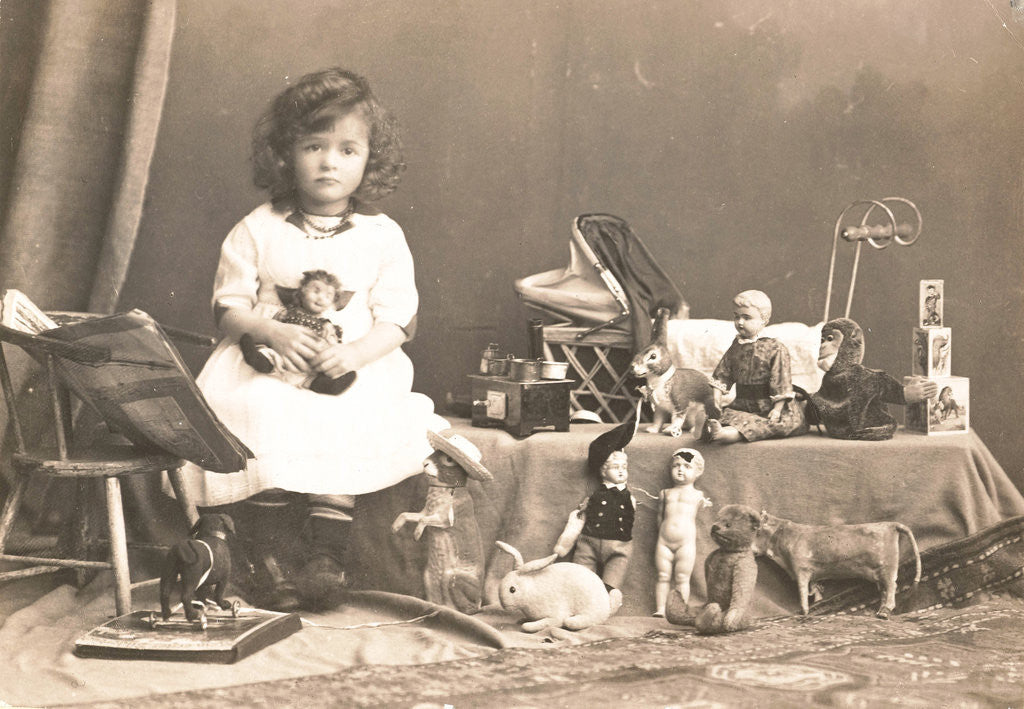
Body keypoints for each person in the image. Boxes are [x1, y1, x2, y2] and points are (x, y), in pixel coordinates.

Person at [178, 68, 447, 611]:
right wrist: (268, 327)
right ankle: (272, 556)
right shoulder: (258, 226)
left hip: (352, 366)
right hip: (266, 362)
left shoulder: (382, 235)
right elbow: (229, 307)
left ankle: (326, 557)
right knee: (256, 408)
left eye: (348, 149)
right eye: (313, 146)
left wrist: (353, 352)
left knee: (345, 416)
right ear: (285, 155)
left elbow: (397, 320)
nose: (329, 162)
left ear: (370, 158)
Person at [553, 409, 640, 600]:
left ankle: (609, 601)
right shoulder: (592, 498)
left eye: (624, 468)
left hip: (619, 546)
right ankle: (581, 601)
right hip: (589, 543)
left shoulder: (629, 498)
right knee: (582, 579)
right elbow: (577, 521)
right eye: (616, 468)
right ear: (602, 471)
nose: (621, 472)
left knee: (613, 581)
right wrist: (563, 545)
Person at [701, 289, 807, 443]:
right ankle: (714, 428)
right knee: (730, 416)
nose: (740, 322)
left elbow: (781, 381)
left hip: (768, 406)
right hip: (743, 403)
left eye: (747, 317)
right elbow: (723, 374)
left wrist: (777, 409)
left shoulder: (775, 348)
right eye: (736, 317)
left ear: (764, 320)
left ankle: (727, 435)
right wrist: (716, 400)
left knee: (762, 424)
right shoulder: (736, 347)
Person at [239, 268, 356, 395]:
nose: (321, 298)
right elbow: (275, 327)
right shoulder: (288, 312)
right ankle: (261, 361)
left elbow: (335, 342)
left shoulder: (326, 324)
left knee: (315, 372)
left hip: (309, 359)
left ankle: (324, 385)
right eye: (316, 291)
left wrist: (330, 336)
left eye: (328, 295)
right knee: (269, 352)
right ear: (302, 291)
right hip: (283, 349)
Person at [653, 448, 712, 617]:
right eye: (676, 465)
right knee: (662, 575)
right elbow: (659, 517)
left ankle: (680, 610)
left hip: (686, 543)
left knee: (682, 578)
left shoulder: (698, 495)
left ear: (698, 471)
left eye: (687, 466)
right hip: (663, 541)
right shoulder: (665, 493)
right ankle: (661, 609)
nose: (680, 469)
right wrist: (663, 534)